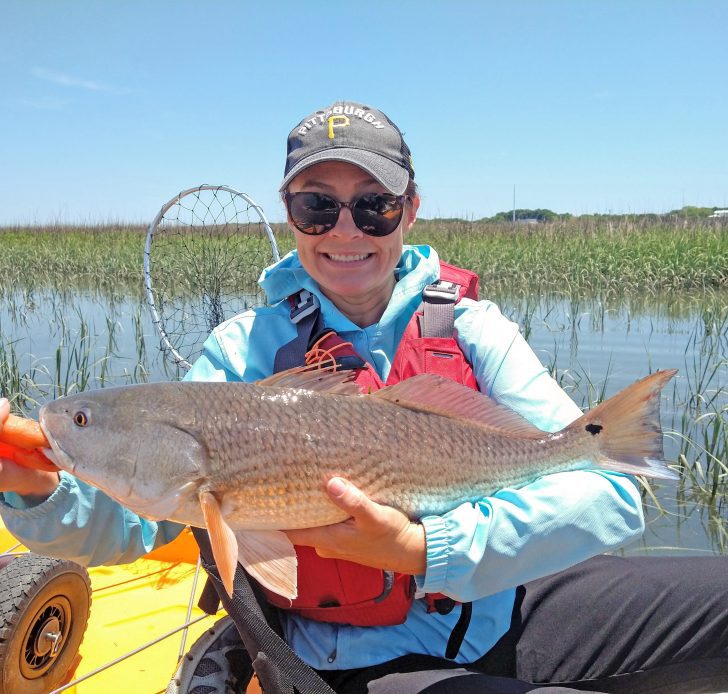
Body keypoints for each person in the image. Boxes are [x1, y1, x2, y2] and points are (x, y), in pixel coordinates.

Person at [1, 101, 728, 694]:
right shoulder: (237, 353)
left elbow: (609, 492)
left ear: (410, 211)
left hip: (504, 606)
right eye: (318, 206)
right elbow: (132, 525)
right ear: (289, 213)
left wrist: (423, 549)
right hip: (349, 655)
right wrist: (37, 492)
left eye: (373, 207)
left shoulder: (472, 328)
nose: (346, 230)